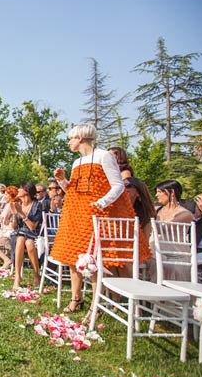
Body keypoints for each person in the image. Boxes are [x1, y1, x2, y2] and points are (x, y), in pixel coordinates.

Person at [49, 124, 151, 318]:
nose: (69, 142)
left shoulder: (104, 156)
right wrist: (62, 181)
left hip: (96, 215)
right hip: (76, 215)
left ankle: (96, 306)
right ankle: (76, 298)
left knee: (93, 261)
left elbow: (118, 186)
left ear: (81, 138)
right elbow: (73, 190)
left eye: (71, 138)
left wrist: (101, 202)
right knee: (73, 259)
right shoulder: (76, 162)